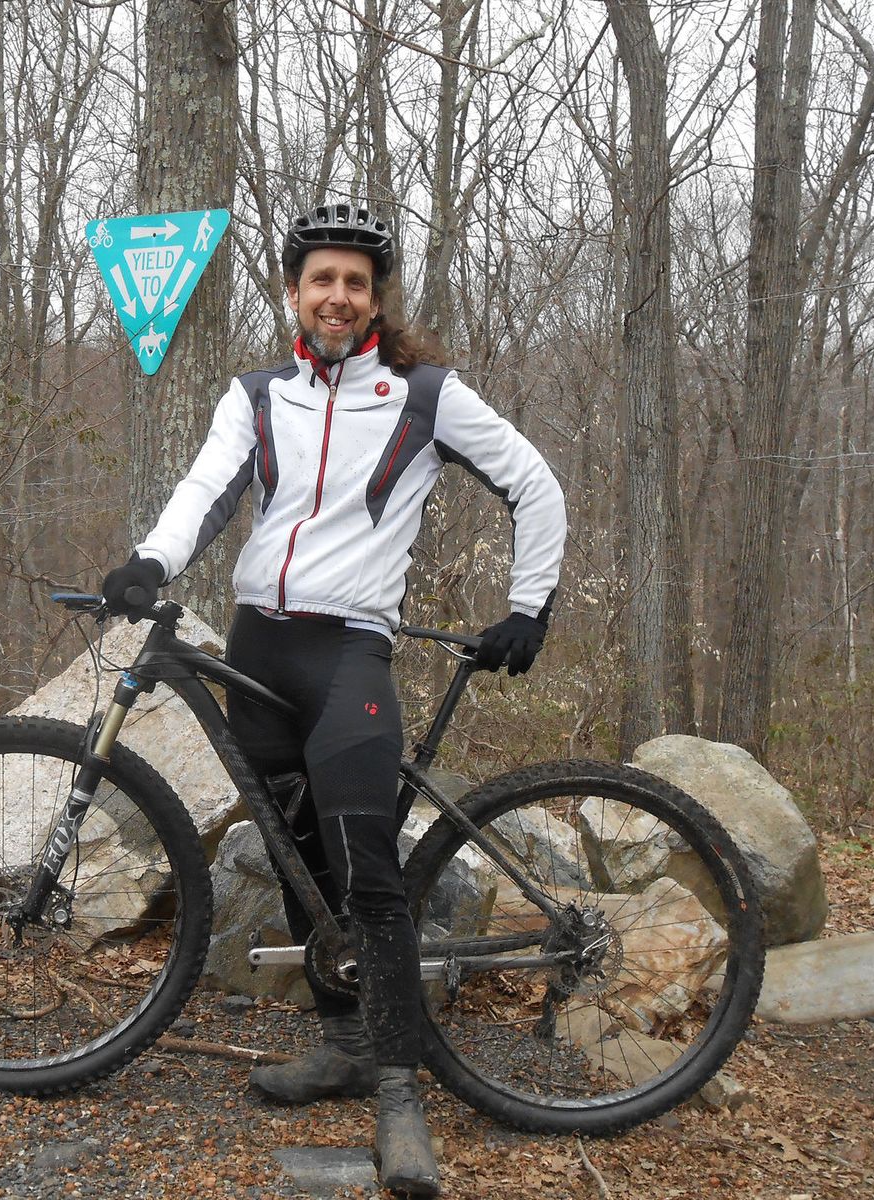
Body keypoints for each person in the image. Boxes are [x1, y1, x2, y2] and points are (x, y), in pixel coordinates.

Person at [101, 203, 566, 1197]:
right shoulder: (257, 395)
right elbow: (202, 492)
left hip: (349, 654)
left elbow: (535, 484)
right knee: (297, 864)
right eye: (323, 279)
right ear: (294, 293)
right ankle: (346, 1045)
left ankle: (400, 1099)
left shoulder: (423, 396)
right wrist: (149, 561)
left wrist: (529, 606)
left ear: (376, 298)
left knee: (368, 877)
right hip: (260, 651)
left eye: (356, 281)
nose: (339, 297)